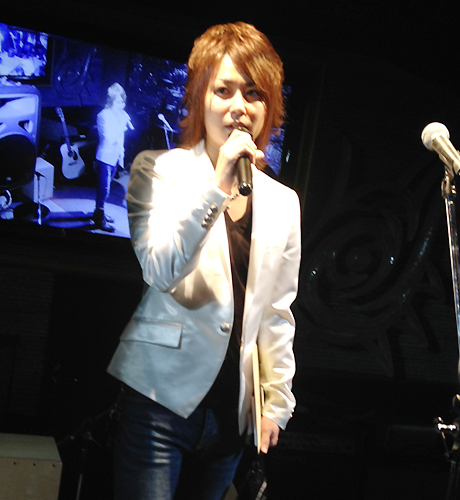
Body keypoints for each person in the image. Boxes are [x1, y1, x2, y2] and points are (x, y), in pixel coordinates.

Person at [107, 22, 301, 500]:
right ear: (200, 98)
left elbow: (276, 312)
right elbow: (160, 269)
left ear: (268, 107)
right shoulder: (159, 169)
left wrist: (276, 403)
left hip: (231, 414)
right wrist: (217, 187)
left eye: (253, 94)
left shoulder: (283, 202)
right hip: (159, 399)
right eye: (224, 90)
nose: (239, 106)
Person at [92, 82, 133, 232]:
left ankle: (99, 212)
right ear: (110, 102)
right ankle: (99, 218)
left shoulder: (119, 116)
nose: (122, 105)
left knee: (105, 188)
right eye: (118, 102)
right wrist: (122, 126)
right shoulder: (103, 116)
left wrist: (122, 153)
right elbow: (108, 139)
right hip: (104, 158)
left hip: (114, 157)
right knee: (104, 189)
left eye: (123, 102)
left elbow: (120, 138)